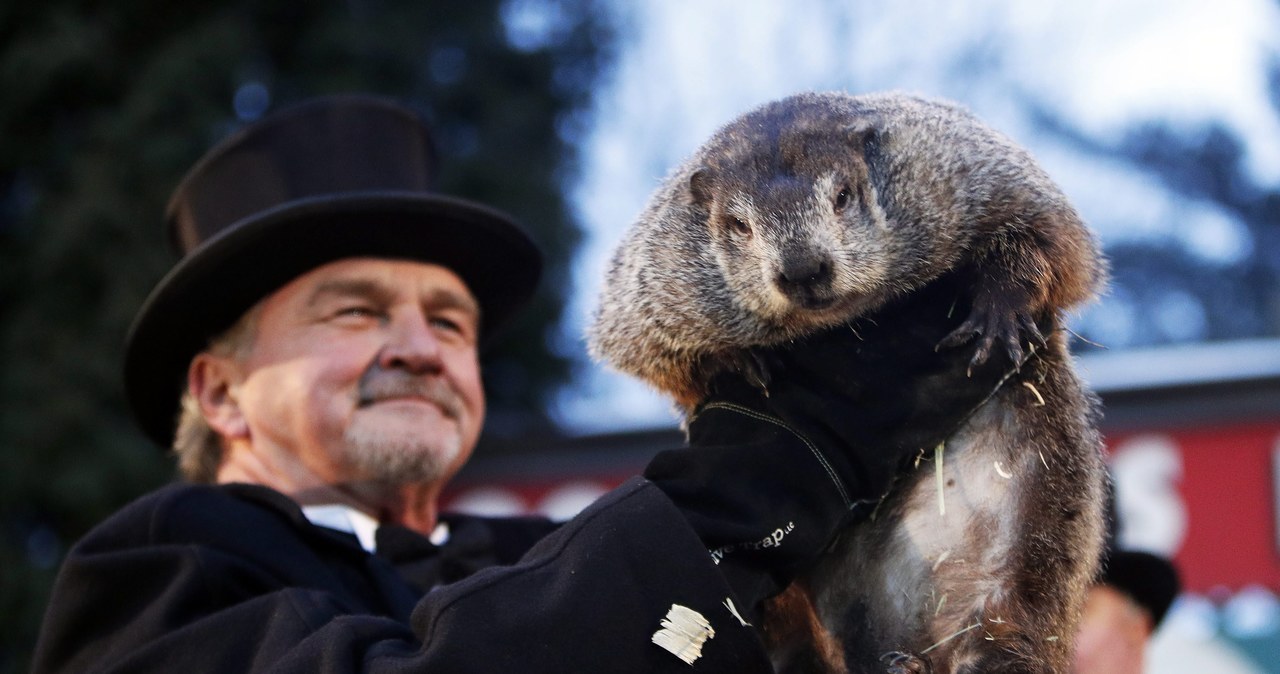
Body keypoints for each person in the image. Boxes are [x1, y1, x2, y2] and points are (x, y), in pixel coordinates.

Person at [31, 95, 1020, 673]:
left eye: (448, 320)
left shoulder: (528, 554)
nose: (420, 347)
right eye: (355, 310)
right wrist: (777, 462)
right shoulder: (157, 575)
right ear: (218, 392)